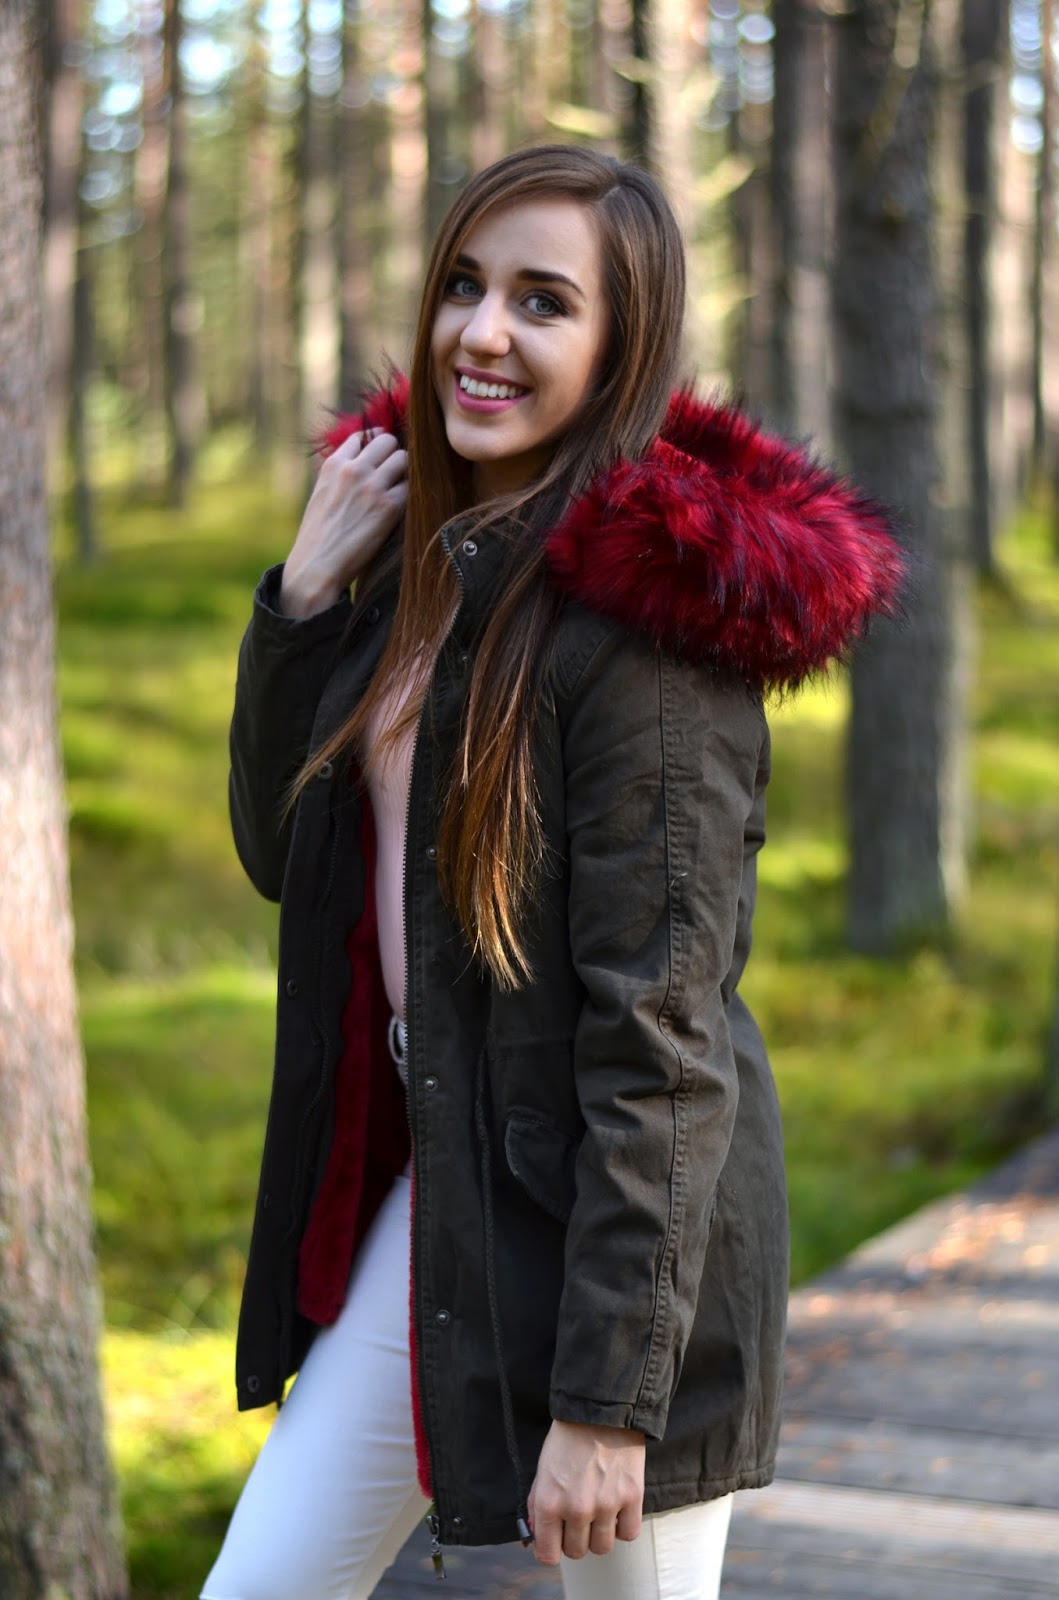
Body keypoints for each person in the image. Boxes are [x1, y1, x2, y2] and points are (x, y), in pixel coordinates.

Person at [203, 145, 904, 1600]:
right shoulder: (417, 569)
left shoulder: (645, 639)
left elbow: (663, 1039)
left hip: (622, 1247)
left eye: (542, 301)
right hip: (450, 1192)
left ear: (620, 345)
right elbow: (287, 859)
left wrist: (609, 1403)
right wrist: (304, 599)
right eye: (463, 285)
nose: (483, 332)